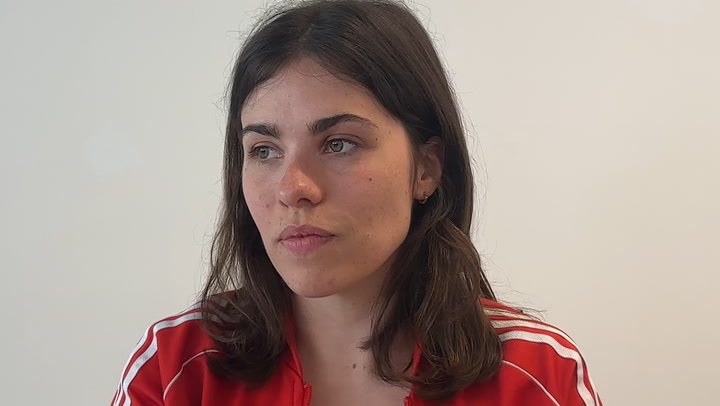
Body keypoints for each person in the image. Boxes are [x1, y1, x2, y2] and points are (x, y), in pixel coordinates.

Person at [111, 1, 602, 405]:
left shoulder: (533, 375)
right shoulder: (174, 370)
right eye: (264, 150)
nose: (292, 188)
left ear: (426, 169)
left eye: (339, 143)